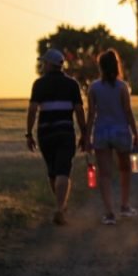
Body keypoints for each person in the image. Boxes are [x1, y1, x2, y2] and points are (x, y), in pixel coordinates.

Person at [26, 48, 87, 225]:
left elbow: (32, 110)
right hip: (65, 131)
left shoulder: (39, 84)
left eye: (44, 62)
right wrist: (84, 132)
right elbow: (78, 110)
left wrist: (29, 133)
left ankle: (61, 205)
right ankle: (60, 208)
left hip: (45, 133)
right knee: (63, 171)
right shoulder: (72, 84)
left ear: (49, 64)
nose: (42, 65)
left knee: (53, 172)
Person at [84, 49, 138, 224]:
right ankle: (124, 205)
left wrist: (87, 137)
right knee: (125, 169)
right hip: (121, 132)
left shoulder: (94, 87)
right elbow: (128, 112)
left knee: (105, 174)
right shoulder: (123, 87)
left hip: (101, 132)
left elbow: (91, 114)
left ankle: (109, 213)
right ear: (117, 66)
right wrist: (135, 132)